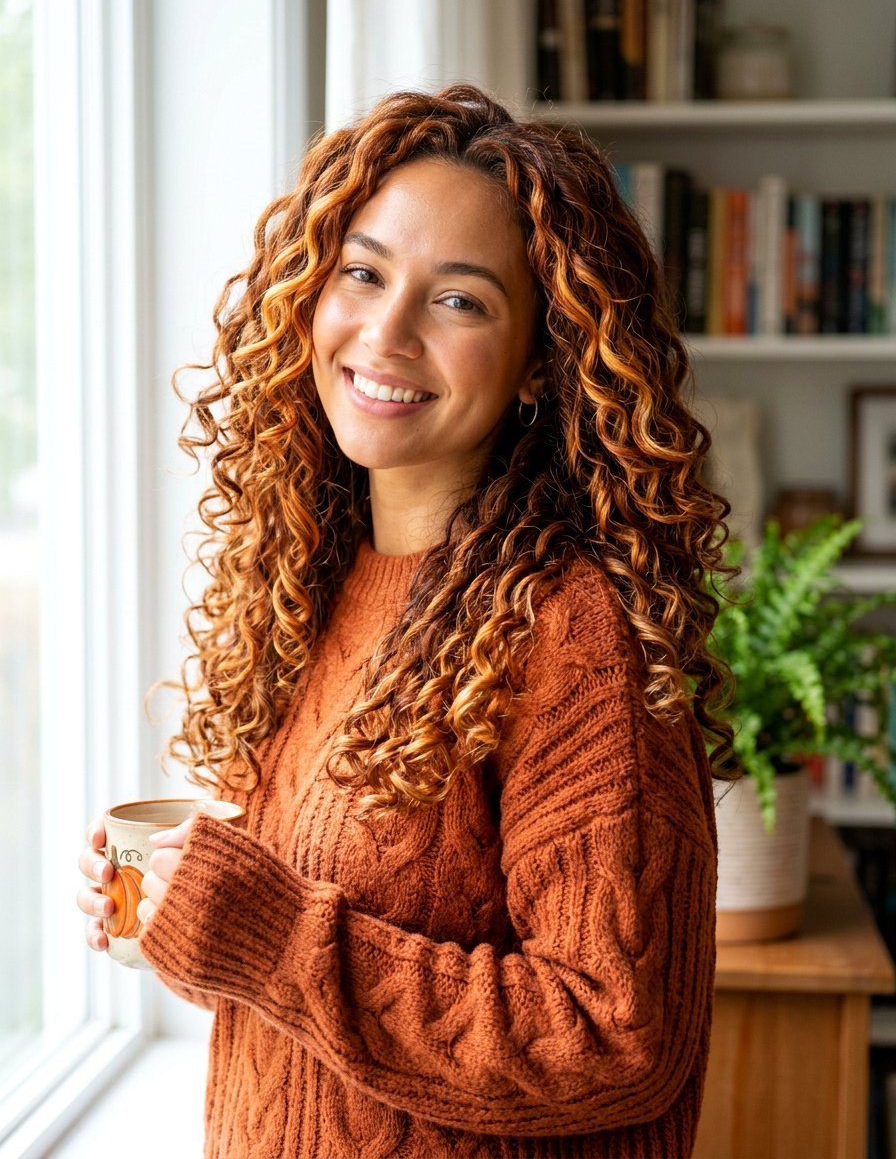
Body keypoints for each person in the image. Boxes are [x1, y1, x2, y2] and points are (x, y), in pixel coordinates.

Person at [78, 83, 731, 1159]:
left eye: (458, 300)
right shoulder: (326, 580)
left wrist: (270, 935)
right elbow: (345, 985)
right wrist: (191, 921)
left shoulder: (571, 635)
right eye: (364, 273)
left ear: (537, 362)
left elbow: (615, 1036)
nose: (384, 333)